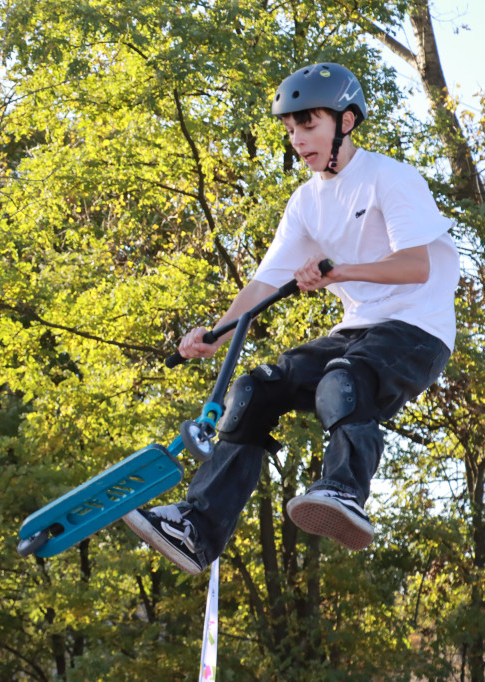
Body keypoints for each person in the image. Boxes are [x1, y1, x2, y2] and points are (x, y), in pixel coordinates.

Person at [123, 62, 459, 575]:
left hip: (417, 330)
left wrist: (336, 271)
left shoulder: (390, 178)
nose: (297, 140)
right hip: (356, 330)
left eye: (308, 126)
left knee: (342, 381)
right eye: (289, 129)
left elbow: (417, 266)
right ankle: (198, 528)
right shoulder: (305, 203)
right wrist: (216, 334)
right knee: (256, 390)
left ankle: (344, 493)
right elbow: (261, 284)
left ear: (345, 122)